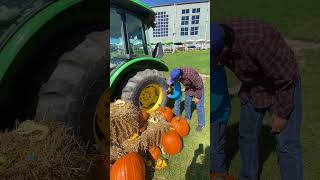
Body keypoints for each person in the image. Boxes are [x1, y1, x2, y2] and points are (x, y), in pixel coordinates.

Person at [211, 20, 303, 180]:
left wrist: (282, 113)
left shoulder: (259, 39)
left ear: (224, 49)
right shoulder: (215, 36)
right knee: (247, 136)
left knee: (287, 144)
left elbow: (286, 78)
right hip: (252, 85)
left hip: (281, 85)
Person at [210, 62, 233, 180]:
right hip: (214, 115)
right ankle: (212, 168)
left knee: (216, 146)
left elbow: (215, 101)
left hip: (218, 117)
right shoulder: (214, 69)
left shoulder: (216, 71)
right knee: (212, 145)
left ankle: (219, 172)